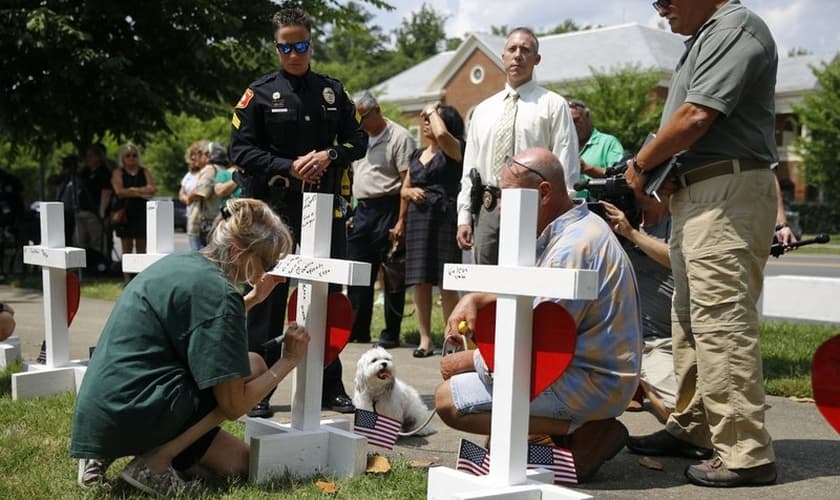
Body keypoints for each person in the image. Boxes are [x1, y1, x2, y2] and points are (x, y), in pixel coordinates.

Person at [624, 0, 780, 487]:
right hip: (699, 191)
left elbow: (695, 116)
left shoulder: (736, 28)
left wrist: (642, 165)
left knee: (721, 321)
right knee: (690, 321)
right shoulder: (707, 35)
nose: (661, 9)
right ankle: (696, 427)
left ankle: (746, 452)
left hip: (726, 193)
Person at [71, 198, 306, 496]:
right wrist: (287, 361)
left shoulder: (183, 264)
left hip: (105, 406)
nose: (266, 272)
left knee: (239, 464)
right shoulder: (219, 294)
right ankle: (155, 463)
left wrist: (252, 300)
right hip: (134, 404)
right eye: (266, 262)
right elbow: (234, 406)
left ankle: (104, 451)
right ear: (238, 251)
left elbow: (200, 324)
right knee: (253, 370)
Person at [435, 147, 642, 483]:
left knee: (449, 399)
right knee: (473, 377)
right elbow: (532, 290)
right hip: (585, 371)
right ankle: (551, 434)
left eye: (508, 196)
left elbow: (539, 343)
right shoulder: (572, 229)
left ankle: (586, 435)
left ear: (543, 193)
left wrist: (468, 361)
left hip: (590, 381)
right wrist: (475, 298)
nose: (501, 207)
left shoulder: (571, 249)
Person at [229, 7, 367, 417]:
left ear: (311, 43)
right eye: (286, 47)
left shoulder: (332, 91)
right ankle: (259, 387)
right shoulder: (258, 93)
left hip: (324, 209)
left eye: (301, 45)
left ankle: (329, 385)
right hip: (275, 214)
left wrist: (329, 156)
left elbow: (358, 140)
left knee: (327, 296)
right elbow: (240, 150)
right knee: (269, 297)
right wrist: (287, 165)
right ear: (276, 47)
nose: (294, 54)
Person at [455, 27, 579, 265]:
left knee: (529, 278)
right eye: (512, 49)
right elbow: (470, 168)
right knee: (484, 281)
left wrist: (561, 216)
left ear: (537, 59)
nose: (518, 55)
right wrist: (464, 216)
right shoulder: (483, 111)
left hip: (535, 209)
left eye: (526, 50)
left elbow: (566, 163)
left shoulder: (553, 105)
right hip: (488, 208)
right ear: (503, 57)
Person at [346, 91, 415, 348]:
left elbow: (408, 180)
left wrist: (401, 221)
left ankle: (391, 333)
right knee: (358, 271)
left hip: (390, 206)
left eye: (363, 117)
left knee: (392, 274)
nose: (360, 123)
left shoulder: (400, 137)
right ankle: (358, 329)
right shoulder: (358, 137)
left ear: (376, 111)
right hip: (362, 210)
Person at [402, 102, 464, 357]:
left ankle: (452, 338)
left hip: (444, 217)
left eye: (432, 119)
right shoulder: (417, 154)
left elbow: (441, 134)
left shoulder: (455, 147)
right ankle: (425, 340)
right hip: (418, 219)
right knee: (421, 280)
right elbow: (404, 188)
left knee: (446, 279)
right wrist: (409, 193)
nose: (426, 123)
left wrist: (431, 109)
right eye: (426, 119)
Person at [111, 143, 156, 284]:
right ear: (123, 158)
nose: (131, 158)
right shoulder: (118, 172)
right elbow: (119, 192)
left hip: (141, 212)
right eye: (128, 155)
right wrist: (141, 191)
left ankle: (141, 278)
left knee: (142, 247)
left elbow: (152, 189)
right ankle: (127, 279)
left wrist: (131, 190)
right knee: (127, 248)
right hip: (125, 213)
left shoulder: (145, 171)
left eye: (134, 155)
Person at [568, 99, 625, 180]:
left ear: (588, 117)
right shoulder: (561, 145)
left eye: (575, 120)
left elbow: (619, 176)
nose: (572, 126)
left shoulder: (608, 143)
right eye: (568, 122)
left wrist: (587, 169)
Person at [186, 141, 225, 249]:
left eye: (202, 153)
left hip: (202, 226)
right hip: (218, 222)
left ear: (209, 155)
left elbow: (201, 193)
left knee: (198, 257)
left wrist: (189, 198)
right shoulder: (224, 169)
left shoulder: (210, 169)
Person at [181, 140, 208, 251]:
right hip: (191, 216)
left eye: (196, 154)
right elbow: (181, 192)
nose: (193, 157)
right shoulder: (189, 174)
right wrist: (187, 199)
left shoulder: (207, 172)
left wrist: (189, 198)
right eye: (191, 155)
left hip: (203, 219)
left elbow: (200, 192)